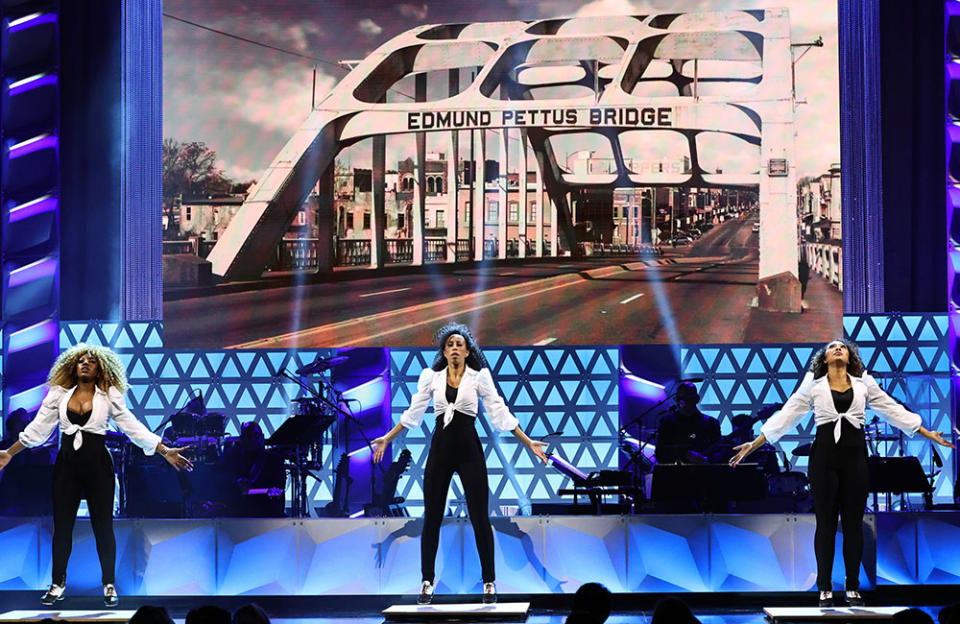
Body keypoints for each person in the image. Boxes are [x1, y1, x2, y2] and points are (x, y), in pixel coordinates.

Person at [730, 339, 955, 607]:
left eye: (843, 347)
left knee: (853, 525)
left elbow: (892, 410)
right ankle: (824, 587)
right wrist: (755, 443)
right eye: (832, 347)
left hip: (855, 457)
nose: (838, 348)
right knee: (825, 524)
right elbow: (787, 414)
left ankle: (852, 587)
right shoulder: (812, 384)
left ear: (850, 357)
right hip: (824, 457)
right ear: (824, 359)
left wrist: (928, 433)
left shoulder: (864, 383)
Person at [0, 344, 193, 608]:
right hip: (67, 465)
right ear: (72, 366)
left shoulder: (108, 395)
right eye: (81, 360)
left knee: (103, 526)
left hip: (98, 464)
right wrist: (9, 453)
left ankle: (109, 584)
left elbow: (131, 425)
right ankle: (57, 584)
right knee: (63, 527)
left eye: (91, 360)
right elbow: (38, 429)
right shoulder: (58, 394)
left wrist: (163, 449)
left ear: (100, 366)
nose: (86, 363)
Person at [372, 323, 548, 605]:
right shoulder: (431, 377)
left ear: (467, 351)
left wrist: (528, 442)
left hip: (469, 450)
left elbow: (499, 412)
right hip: (440, 450)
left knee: (480, 518)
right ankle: (427, 581)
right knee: (432, 517)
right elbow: (413, 412)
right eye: (450, 344)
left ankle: (489, 582)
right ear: (444, 350)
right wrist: (387, 438)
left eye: (460, 344)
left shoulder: (480, 378)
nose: (455, 347)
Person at [655, 382, 721, 464]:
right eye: (679, 399)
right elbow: (660, 453)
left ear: (696, 399)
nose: (682, 402)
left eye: (686, 398)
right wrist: (684, 454)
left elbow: (719, 450)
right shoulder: (667, 422)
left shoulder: (711, 423)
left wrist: (707, 459)